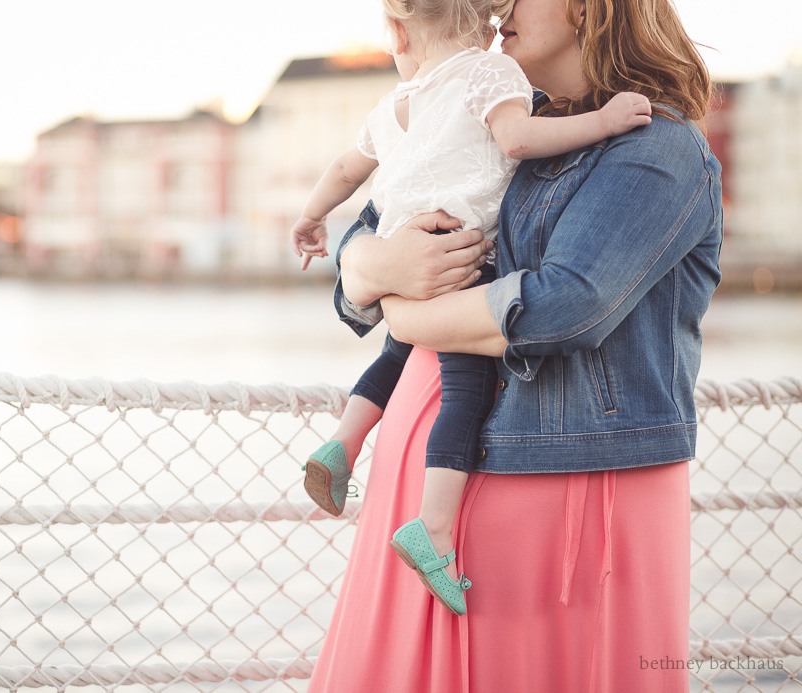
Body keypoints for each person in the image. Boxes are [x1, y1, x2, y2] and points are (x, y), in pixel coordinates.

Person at [308, 0, 721, 689]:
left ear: (586, 8)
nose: (498, 4)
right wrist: (370, 268)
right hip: (426, 473)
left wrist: (403, 311)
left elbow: (566, 306)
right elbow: (365, 241)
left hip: (554, 479)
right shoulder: (484, 116)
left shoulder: (656, 147)